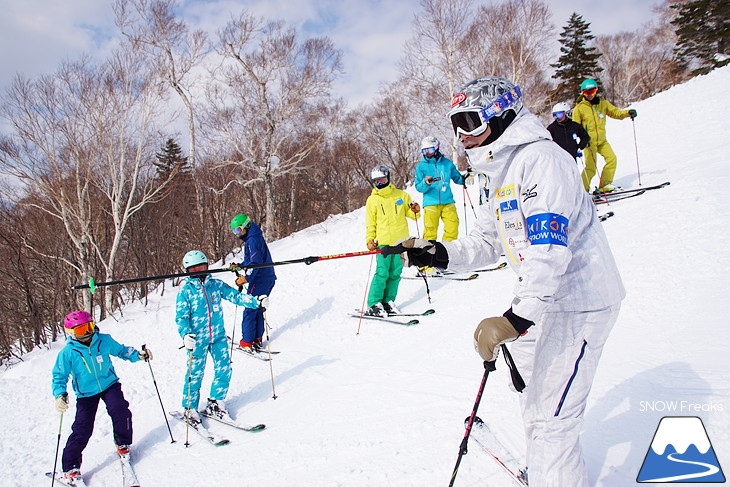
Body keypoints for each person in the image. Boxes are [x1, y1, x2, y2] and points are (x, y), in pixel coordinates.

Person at [383, 76, 625, 486]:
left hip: (579, 301)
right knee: (535, 402)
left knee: (552, 422)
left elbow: (550, 249)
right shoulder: (501, 174)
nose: (462, 135)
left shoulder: (542, 161)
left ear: (501, 117)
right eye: (455, 125)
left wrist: (515, 319)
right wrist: (439, 253)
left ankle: (555, 471)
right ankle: (552, 471)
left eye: (470, 122)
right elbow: (485, 241)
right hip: (543, 301)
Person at [52, 310, 153, 483]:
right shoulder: (68, 353)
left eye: (89, 327)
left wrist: (138, 355)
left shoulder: (103, 340)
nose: (87, 333)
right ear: (71, 333)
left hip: (109, 384)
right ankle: (70, 468)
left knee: (120, 410)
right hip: (86, 393)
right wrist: (60, 394)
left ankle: (123, 443)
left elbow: (121, 351)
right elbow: (59, 376)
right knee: (83, 428)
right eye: (81, 330)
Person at [175, 250, 267, 424]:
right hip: (197, 341)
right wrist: (185, 334)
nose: (199, 273)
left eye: (202, 268)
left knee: (224, 368)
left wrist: (257, 302)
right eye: (194, 270)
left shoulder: (215, 285)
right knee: (195, 374)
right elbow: (181, 317)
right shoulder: (186, 291)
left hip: (217, 336)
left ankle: (216, 401)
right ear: (187, 271)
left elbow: (236, 296)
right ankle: (190, 408)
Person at [364, 165, 420, 317]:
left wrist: (415, 210)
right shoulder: (372, 200)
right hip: (383, 242)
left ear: (388, 178)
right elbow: (370, 222)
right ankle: (374, 303)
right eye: (376, 181)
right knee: (382, 273)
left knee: (396, 273)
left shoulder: (401, 195)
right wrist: (370, 239)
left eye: (382, 180)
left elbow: (412, 215)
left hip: (401, 242)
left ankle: (388, 301)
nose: (380, 184)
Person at [571, 78, 637, 193]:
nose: (590, 95)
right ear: (583, 93)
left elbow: (616, 113)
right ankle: (582, 191)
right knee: (591, 168)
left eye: (592, 91)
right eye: (587, 93)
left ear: (596, 91)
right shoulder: (579, 109)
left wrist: (628, 113)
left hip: (602, 140)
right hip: (589, 142)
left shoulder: (602, 104)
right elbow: (575, 127)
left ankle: (605, 185)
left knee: (612, 159)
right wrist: (579, 142)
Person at [229, 213, 277, 353]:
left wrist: (245, 278)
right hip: (267, 277)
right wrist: (240, 265)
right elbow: (252, 260)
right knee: (257, 307)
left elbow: (255, 264)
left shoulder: (253, 240)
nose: (237, 234)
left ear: (246, 226)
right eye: (234, 232)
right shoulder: (254, 238)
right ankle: (256, 339)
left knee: (250, 309)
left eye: (238, 230)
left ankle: (247, 342)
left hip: (260, 279)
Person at [414, 136, 465, 243]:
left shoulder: (447, 163)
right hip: (431, 202)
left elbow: (457, 178)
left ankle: (448, 249)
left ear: (436, 148)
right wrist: (426, 183)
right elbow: (419, 187)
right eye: (424, 151)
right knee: (430, 230)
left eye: (430, 150)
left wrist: (466, 178)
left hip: (448, 201)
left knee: (453, 226)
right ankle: (429, 252)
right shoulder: (421, 167)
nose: (427, 153)